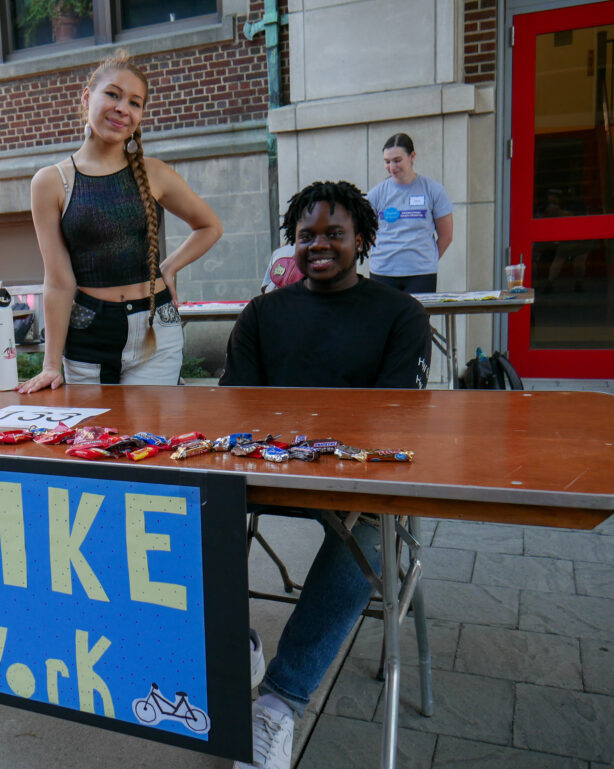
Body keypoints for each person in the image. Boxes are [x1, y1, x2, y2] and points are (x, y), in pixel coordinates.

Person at [219, 180, 431, 769]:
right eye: (306, 235)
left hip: (354, 482)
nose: (319, 245)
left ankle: (279, 703)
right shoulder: (262, 313)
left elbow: (396, 418)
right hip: (269, 473)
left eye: (334, 234)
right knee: (190, 507)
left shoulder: (401, 314)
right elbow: (234, 405)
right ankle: (235, 646)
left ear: (360, 239)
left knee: (369, 533)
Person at [18, 50, 222, 393]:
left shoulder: (155, 173)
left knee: (148, 443)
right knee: (91, 441)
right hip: (87, 332)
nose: (123, 108)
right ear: (87, 97)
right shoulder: (50, 182)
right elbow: (57, 281)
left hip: (157, 329)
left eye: (135, 102)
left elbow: (209, 226)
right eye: (112, 94)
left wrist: (168, 268)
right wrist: (51, 365)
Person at [366, 133, 454, 294]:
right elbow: (365, 231)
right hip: (383, 273)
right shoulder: (376, 194)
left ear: (412, 156)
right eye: (387, 161)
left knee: (416, 319)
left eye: (397, 160)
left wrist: (427, 260)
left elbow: (446, 236)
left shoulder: (433, 190)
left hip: (421, 274)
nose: (392, 166)